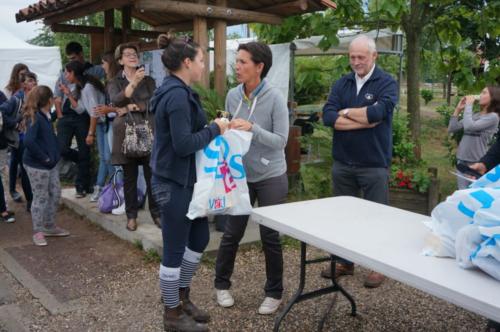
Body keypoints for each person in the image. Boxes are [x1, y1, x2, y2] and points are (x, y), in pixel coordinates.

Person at [150, 34, 227, 332]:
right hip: (173, 182)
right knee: (174, 249)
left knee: (199, 240)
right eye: (201, 60)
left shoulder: (180, 90)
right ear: (187, 63)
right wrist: (215, 129)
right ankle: (171, 313)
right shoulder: (177, 96)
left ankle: (182, 298)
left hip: (188, 180)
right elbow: (183, 144)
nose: (204, 65)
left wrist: (215, 128)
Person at [214, 42, 289, 315]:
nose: (237, 66)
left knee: (270, 236)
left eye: (243, 62)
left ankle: (274, 292)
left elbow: (281, 141)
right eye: (237, 60)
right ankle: (221, 285)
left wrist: (253, 128)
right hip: (240, 174)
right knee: (231, 233)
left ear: (259, 67)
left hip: (271, 175)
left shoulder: (275, 98)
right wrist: (220, 128)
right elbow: (227, 122)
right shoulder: (233, 95)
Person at [321, 34, 398, 288]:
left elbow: (378, 113)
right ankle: (345, 261)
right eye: (352, 57)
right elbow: (328, 115)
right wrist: (359, 119)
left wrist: (345, 114)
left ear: (374, 56)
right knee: (343, 216)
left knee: (377, 217)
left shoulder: (386, 82)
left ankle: (378, 265)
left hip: (374, 164)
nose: (356, 62)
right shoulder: (342, 83)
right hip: (343, 163)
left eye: (361, 57)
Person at [107, 43, 160, 231]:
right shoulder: (114, 82)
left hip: (146, 129)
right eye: (127, 54)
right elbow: (117, 100)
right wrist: (134, 83)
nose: (132, 56)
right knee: (129, 177)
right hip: (125, 133)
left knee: (151, 175)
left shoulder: (149, 80)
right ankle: (131, 216)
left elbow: (153, 102)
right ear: (120, 60)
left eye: (134, 54)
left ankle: (156, 213)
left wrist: (132, 107)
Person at [23, 85, 69, 246]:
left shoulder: (44, 115)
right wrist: (45, 159)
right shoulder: (35, 117)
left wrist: (51, 159)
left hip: (49, 164)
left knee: (55, 193)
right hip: (38, 166)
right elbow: (28, 141)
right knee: (40, 197)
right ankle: (38, 231)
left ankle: (49, 226)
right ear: (48, 100)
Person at [448, 86, 500, 189]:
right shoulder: (476, 115)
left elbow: (469, 126)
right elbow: (452, 128)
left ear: (493, 97)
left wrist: (468, 106)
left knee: (473, 192)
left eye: (484, 93)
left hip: (477, 161)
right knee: (462, 191)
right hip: (461, 160)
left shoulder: (493, 117)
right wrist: (458, 110)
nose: (480, 95)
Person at [56, 62, 94, 198]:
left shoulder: (85, 85)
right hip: (66, 116)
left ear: (73, 73)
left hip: (81, 117)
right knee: (62, 149)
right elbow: (57, 97)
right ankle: (84, 161)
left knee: (84, 149)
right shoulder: (61, 78)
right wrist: (59, 115)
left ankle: (81, 186)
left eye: (67, 73)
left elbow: (82, 110)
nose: (65, 75)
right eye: (65, 73)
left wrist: (69, 94)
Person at [0, 72, 36, 211]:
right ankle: (30, 201)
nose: (34, 83)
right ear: (23, 84)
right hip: (19, 141)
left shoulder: (35, 97)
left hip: (32, 140)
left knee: (31, 169)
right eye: (30, 81)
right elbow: (2, 111)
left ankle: (33, 200)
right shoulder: (16, 99)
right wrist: (16, 124)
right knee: (26, 170)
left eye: (34, 80)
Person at [53, 42, 105, 119]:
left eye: (73, 58)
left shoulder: (93, 70)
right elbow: (57, 96)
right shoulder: (64, 73)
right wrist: (60, 116)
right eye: (69, 59)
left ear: (81, 54)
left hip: (88, 112)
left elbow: (110, 67)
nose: (71, 61)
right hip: (69, 111)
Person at [4, 63, 29, 202]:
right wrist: (15, 123)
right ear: (16, 75)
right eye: (21, 74)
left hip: (27, 129)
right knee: (15, 161)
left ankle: (28, 195)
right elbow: (5, 111)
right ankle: (13, 190)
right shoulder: (9, 91)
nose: (24, 76)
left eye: (26, 73)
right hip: (14, 131)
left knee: (23, 161)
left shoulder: (30, 89)